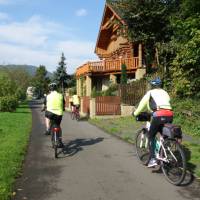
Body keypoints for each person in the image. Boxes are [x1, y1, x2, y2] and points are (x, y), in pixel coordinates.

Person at [133, 77, 173, 167]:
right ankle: (164, 154)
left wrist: (135, 113)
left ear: (153, 85)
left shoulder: (150, 93)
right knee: (164, 135)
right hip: (170, 115)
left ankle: (153, 159)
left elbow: (141, 105)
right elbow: (165, 103)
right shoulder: (165, 92)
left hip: (159, 115)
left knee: (151, 136)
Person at [45, 82, 65, 147]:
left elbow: (44, 104)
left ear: (50, 89)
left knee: (46, 116)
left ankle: (48, 128)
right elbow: (63, 104)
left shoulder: (47, 96)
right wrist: (63, 108)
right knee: (58, 126)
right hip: (59, 114)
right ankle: (60, 141)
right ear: (56, 89)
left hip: (50, 113)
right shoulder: (61, 95)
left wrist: (43, 108)